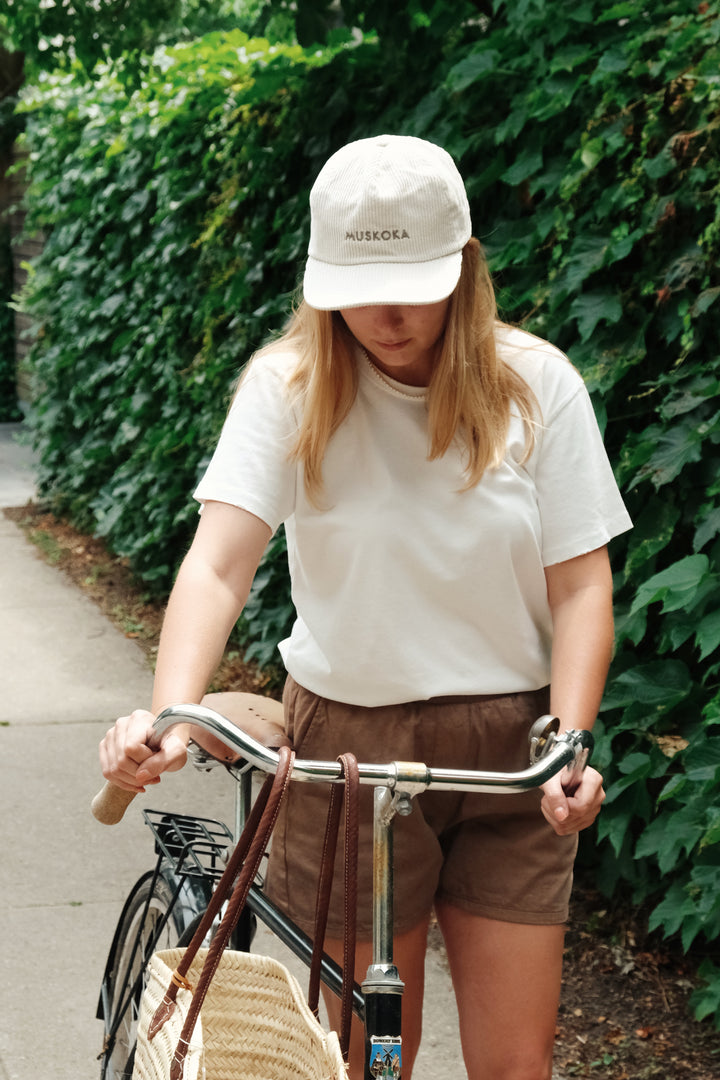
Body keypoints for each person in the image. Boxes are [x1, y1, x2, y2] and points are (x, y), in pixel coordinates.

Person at [99, 134, 632, 1080]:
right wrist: (169, 711)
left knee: (517, 1065)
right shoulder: (290, 387)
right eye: (357, 288)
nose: (385, 315)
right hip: (349, 751)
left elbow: (581, 580)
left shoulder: (536, 385)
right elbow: (221, 564)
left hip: (511, 750)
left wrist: (570, 741)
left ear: (464, 269)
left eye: (416, 285)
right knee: (358, 1064)